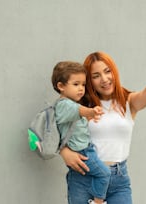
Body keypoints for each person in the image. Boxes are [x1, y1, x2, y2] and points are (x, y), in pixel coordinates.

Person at [59, 51, 146, 204]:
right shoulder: (80, 105)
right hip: (84, 178)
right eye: (96, 76)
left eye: (107, 71)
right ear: (89, 81)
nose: (104, 79)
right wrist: (64, 151)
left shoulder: (128, 102)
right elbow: (52, 130)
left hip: (118, 181)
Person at [51, 61, 111, 204]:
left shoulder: (69, 103)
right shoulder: (64, 105)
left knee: (83, 178)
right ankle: (98, 202)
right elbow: (78, 111)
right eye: (76, 84)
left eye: (83, 85)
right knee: (104, 174)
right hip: (82, 152)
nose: (81, 89)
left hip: (83, 150)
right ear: (61, 86)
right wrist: (91, 111)